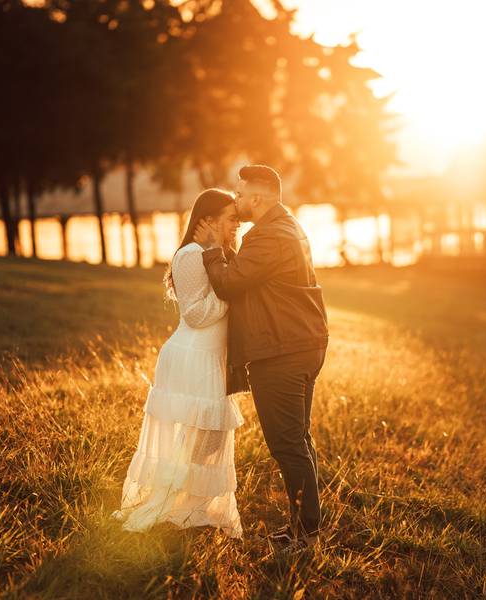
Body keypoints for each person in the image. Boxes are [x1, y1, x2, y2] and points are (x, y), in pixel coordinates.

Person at [194, 165, 329, 555]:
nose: (235, 202)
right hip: (301, 343)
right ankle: (305, 528)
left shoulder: (268, 236)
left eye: (239, 195)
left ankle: (305, 537)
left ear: (258, 199)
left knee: (287, 443)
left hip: (283, 350)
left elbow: (229, 282)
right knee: (298, 439)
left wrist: (212, 249)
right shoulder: (288, 226)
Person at [112, 188, 243, 537]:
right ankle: (170, 503)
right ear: (209, 221)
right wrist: (233, 296)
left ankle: (191, 506)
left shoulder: (222, 254)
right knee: (194, 438)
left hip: (213, 359)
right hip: (191, 356)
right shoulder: (190, 254)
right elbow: (197, 314)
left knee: (210, 440)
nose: (237, 225)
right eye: (231, 219)